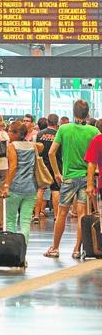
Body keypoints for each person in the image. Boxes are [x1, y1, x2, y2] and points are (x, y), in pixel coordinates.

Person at [44, 100, 99, 259]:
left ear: (74, 113)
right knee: (82, 214)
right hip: (86, 178)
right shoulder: (94, 131)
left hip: (68, 178)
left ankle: (55, 248)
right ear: (87, 113)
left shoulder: (64, 129)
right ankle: (77, 249)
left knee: (62, 213)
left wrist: (56, 173)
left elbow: (51, 153)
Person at [3, 121, 43, 246]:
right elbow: (41, 146)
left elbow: (13, 166)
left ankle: (12, 248)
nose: (8, 133)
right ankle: (22, 250)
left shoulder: (12, 146)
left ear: (16, 133)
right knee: (25, 221)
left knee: (10, 220)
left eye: (9, 131)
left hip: (15, 187)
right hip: (31, 188)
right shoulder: (32, 146)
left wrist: (6, 185)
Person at [33, 114, 61, 224]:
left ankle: (36, 215)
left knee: (40, 189)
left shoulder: (39, 134)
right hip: (56, 165)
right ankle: (56, 216)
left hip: (43, 165)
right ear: (57, 122)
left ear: (48, 121)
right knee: (55, 190)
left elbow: (37, 150)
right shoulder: (59, 134)